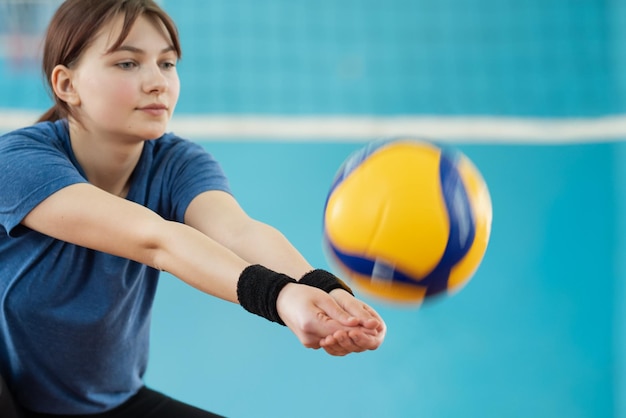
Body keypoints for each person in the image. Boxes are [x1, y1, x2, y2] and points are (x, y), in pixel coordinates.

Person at [0, 0, 386, 416]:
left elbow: (238, 232)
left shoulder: (177, 162)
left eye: (167, 64)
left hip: (104, 402)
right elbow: (156, 240)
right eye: (127, 64)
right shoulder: (19, 161)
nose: (157, 82)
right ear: (66, 84)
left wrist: (325, 292)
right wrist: (279, 297)